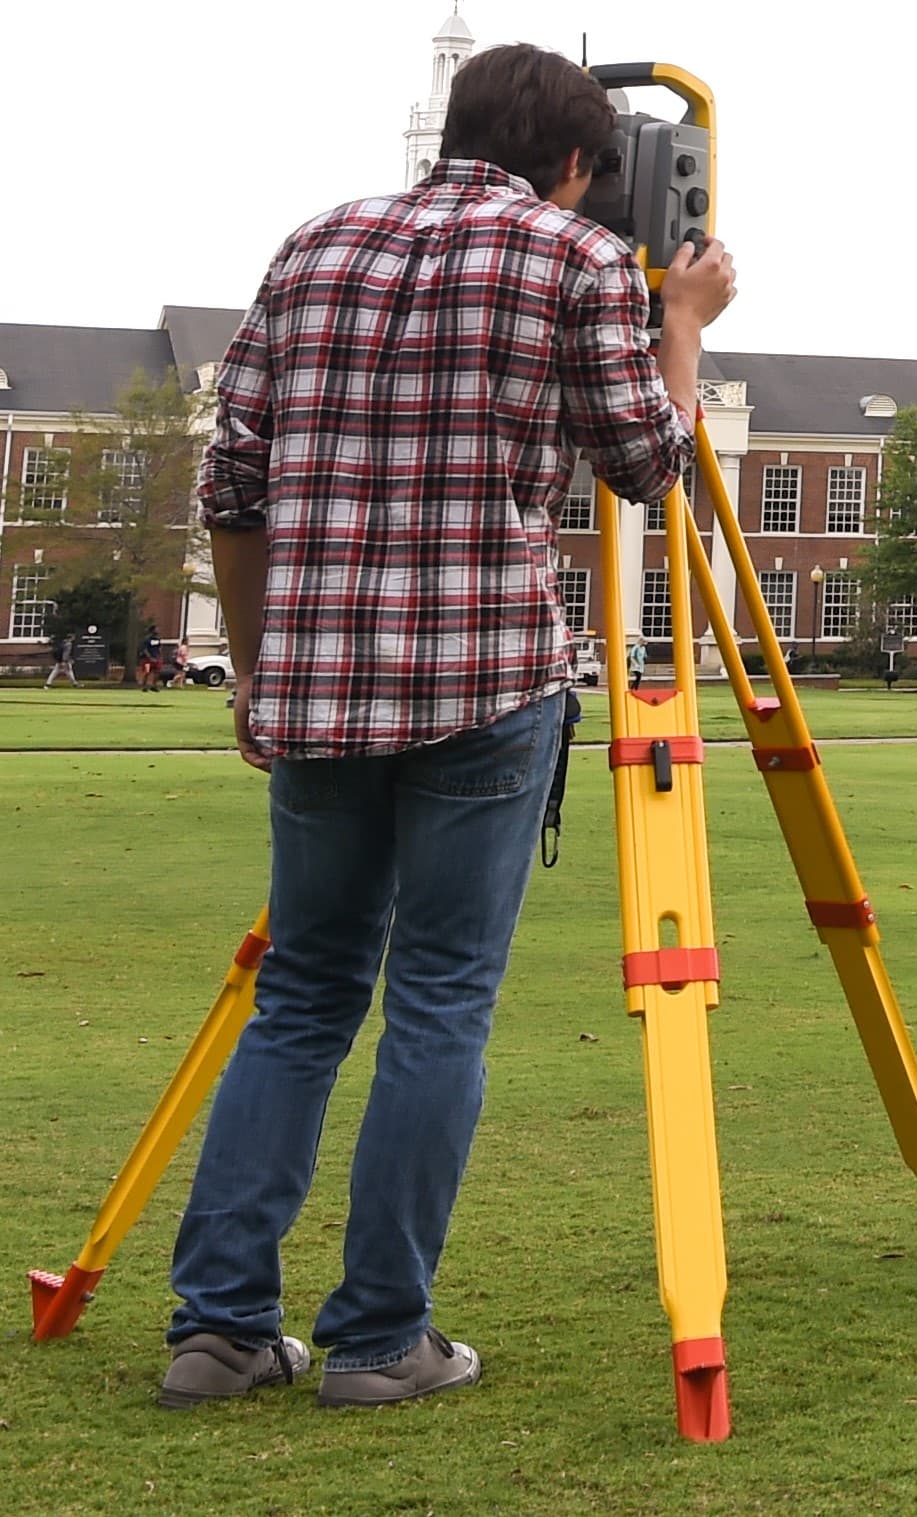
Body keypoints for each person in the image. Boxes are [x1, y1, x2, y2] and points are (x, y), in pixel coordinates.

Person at [160, 42, 737, 1411]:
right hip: (482, 685)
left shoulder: (313, 249)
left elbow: (230, 482)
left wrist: (256, 674)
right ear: (582, 166)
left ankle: (220, 1327)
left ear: (451, 136)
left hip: (310, 684)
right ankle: (377, 1339)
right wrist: (687, 320)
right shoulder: (576, 260)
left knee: (302, 996)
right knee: (434, 1001)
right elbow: (648, 461)